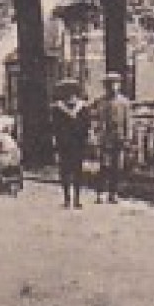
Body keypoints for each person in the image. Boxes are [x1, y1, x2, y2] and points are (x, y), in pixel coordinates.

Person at [91, 71, 133, 204]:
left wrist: (128, 137)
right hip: (105, 138)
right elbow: (95, 120)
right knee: (104, 166)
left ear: (119, 85)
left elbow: (128, 121)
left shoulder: (124, 102)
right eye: (110, 84)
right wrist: (95, 135)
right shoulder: (101, 102)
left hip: (119, 138)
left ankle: (113, 193)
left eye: (116, 83)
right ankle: (101, 192)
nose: (113, 86)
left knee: (117, 167)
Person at [50, 78, 91, 209]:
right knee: (66, 171)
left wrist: (85, 138)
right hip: (65, 144)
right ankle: (68, 199)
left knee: (76, 171)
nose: (71, 96)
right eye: (68, 92)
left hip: (76, 144)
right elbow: (54, 127)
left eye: (73, 92)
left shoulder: (82, 108)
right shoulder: (57, 108)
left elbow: (87, 126)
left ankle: (76, 199)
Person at [0, 116, 23, 197]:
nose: (11, 129)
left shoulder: (9, 137)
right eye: (10, 126)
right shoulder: (0, 136)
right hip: (5, 157)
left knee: (14, 172)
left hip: (12, 157)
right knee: (7, 172)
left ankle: (11, 187)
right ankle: (5, 187)